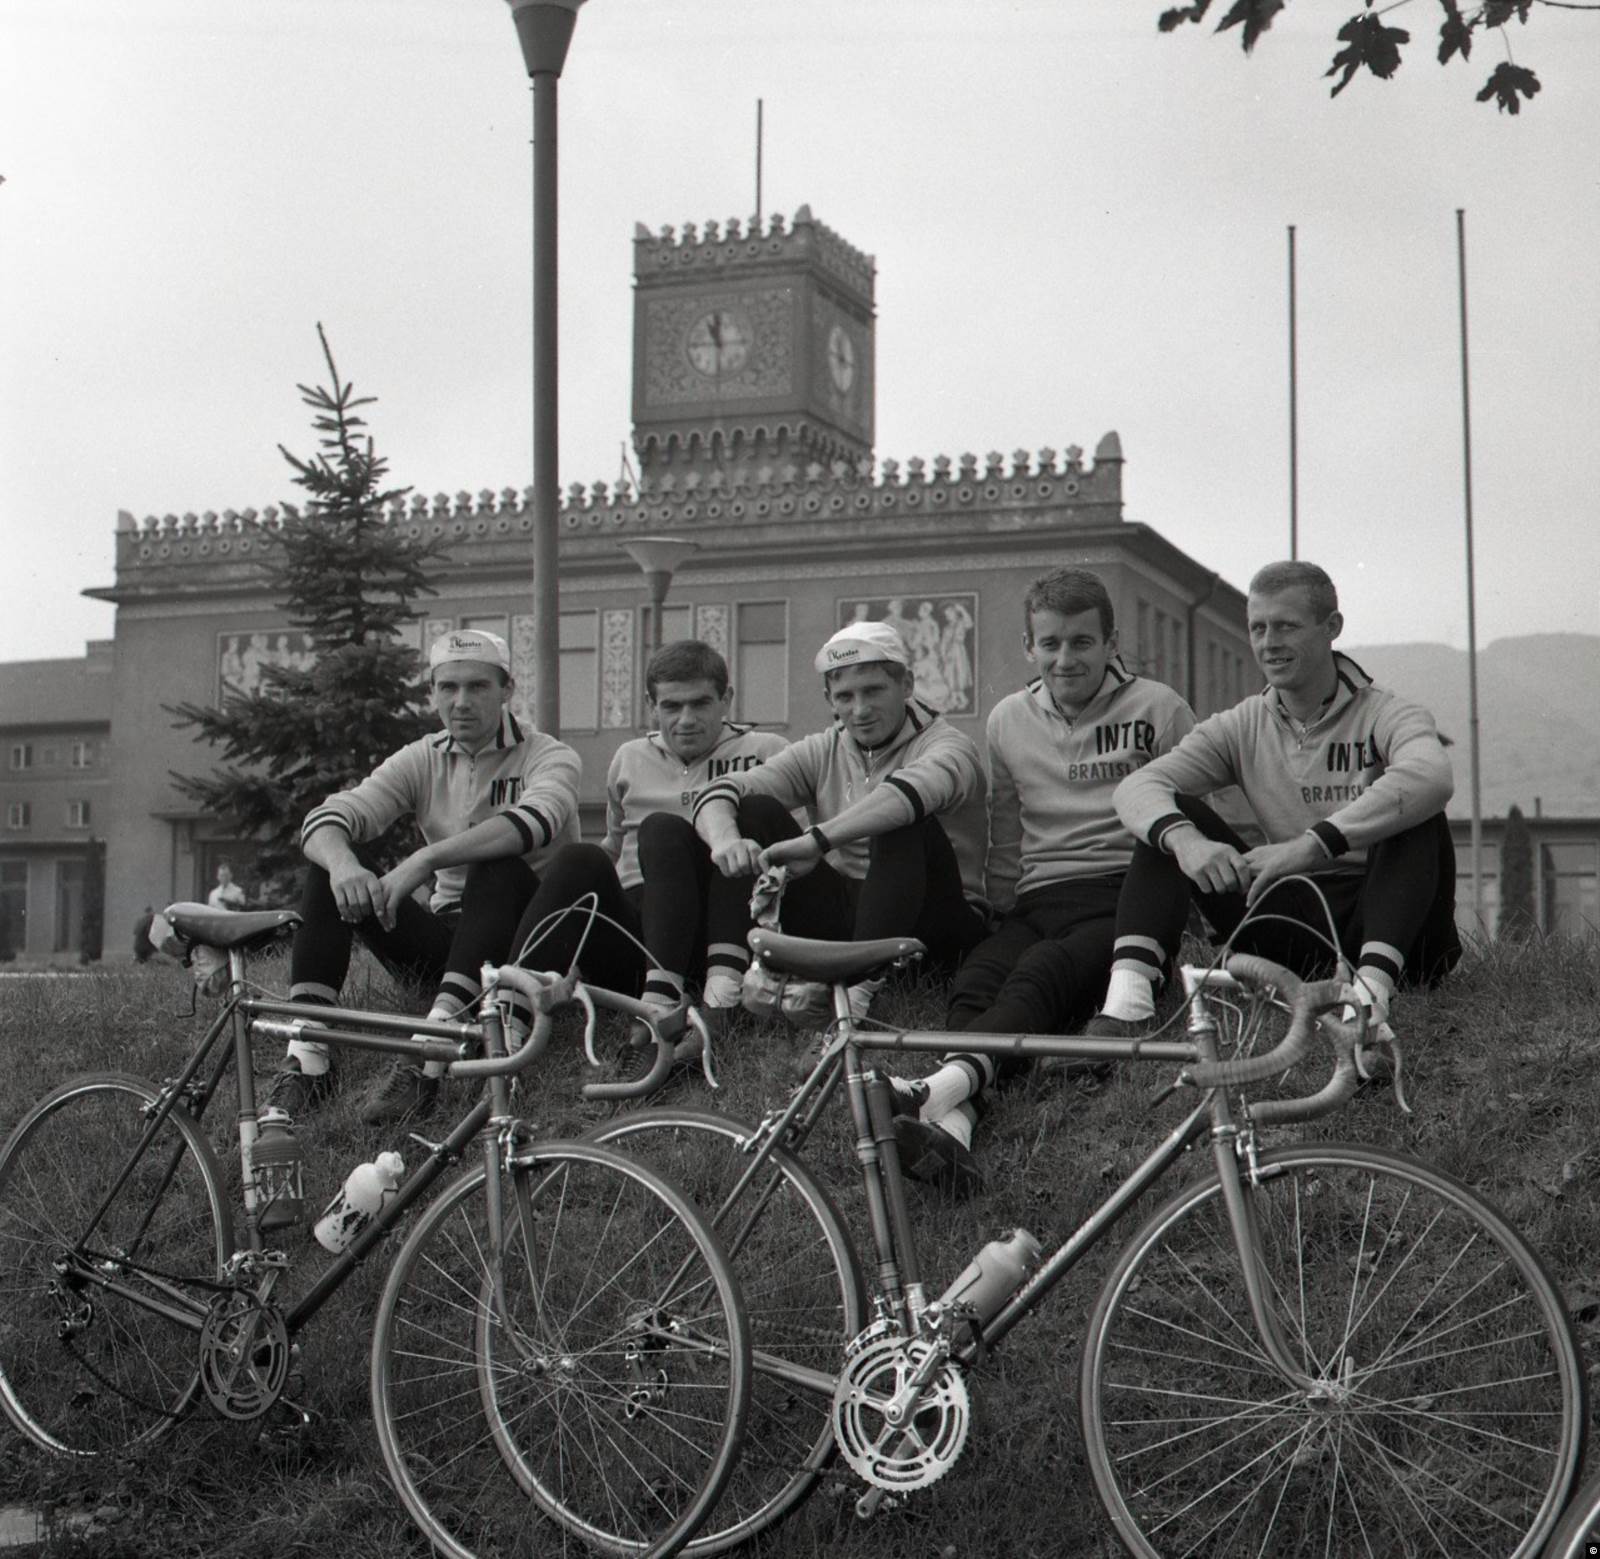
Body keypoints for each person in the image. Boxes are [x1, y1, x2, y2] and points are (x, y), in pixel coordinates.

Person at [890, 568, 1197, 1193]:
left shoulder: (1159, 708)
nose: (1065, 658)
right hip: (1039, 895)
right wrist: (1001, 910)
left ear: (1111, 643)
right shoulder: (1006, 719)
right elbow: (1007, 825)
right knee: (978, 979)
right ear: (1030, 648)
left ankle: (938, 1089)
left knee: (1043, 974)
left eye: (1082, 642)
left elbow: (1187, 820)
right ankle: (957, 1125)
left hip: (1120, 895)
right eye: (1050, 644)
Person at [1096, 559, 1460, 1042]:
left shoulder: (1388, 713)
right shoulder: (1242, 724)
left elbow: (1432, 777)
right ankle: (1126, 1006)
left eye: (1287, 626)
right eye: (1258, 628)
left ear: (1332, 627)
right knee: (1170, 817)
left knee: (1413, 810)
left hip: (1395, 929)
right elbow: (1136, 787)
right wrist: (1187, 843)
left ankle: (1369, 1001)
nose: (1269, 642)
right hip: (1295, 929)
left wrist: (1314, 844)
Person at [267, 627, 581, 1125]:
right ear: (432, 693)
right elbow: (326, 819)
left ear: (507, 691)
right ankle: (310, 1052)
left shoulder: (550, 754)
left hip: (524, 946)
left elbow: (534, 824)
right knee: (331, 862)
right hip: (451, 948)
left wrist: (423, 861)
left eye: (478, 687)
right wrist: (345, 864)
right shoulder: (422, 757)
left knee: (496, 864)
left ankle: (433, 1046)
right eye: (447, 688)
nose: (461, 702)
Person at [692, 619, 989, 1028]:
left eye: (873, 691)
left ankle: (854, 1001)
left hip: (938, 925)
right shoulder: (824, 747)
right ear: (829, 700)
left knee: (899, 818)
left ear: (906, 684)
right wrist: (726, 842)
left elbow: (908, 794)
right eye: (845, 696)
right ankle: (723, 1002)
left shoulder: (948, 744)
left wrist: (816, 840)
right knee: (753, 809)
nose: (860, 710)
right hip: (854, 919)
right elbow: (721, 790)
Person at [504, 639, 787, 1059]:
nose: (686, 719)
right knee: (582, 857)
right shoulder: (629, 757)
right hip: (643, 933)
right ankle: (508, 1013)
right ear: (651, 706)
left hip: (723, 926)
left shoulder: (766, 751)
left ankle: (682, 1002)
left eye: (700, 704)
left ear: (726, 699)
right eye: (671, 706)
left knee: (664, 829)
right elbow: (615, 845)